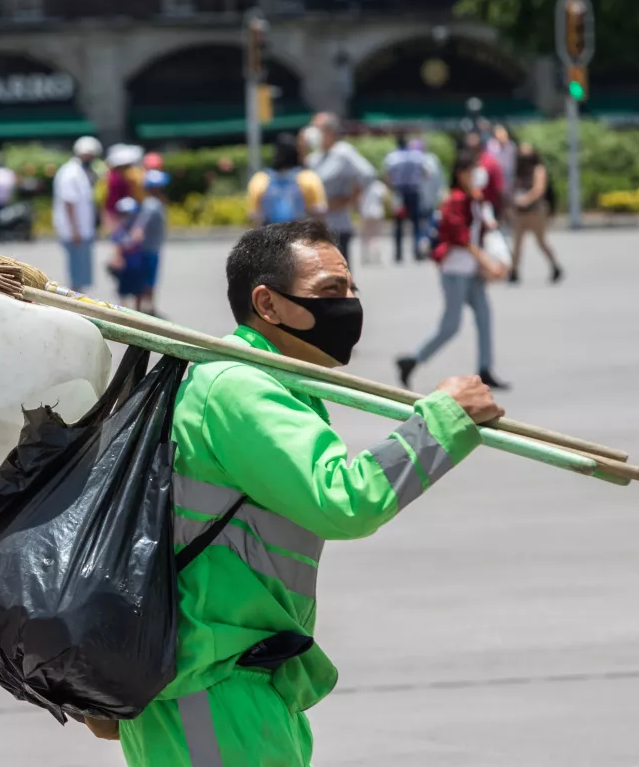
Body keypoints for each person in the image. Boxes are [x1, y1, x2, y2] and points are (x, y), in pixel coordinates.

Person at [117, 219, 503, 767]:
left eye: (351, 290)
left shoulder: (255, 380)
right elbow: (343, 501)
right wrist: (441, 421)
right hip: (209, 685)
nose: (348, 305)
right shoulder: (239, 387)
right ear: (267, 304)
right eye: (329, 292)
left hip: (238, 682)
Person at [396, 150, 511, 391]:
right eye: (472, 171)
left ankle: (485, 368)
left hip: (471, 270)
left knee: (484, 315)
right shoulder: (456, 200)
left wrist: (493, 257)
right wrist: (488, 263)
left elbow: (483, 230)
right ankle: (413, 360)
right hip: (456, 270)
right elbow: (462, 238)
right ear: (461, 174)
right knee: (451, 325)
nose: (477, 175)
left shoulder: (474, 199)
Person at [306, 112, 375, 263]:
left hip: (338, 226)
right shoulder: (314, 157)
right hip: (316, 228)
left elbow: (367, 175)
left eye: (317, 128)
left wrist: (349, 200)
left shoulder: (343, 152)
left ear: (330, 131)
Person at [53, 136, 102, 292]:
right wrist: (74, 230)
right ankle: (77, 306)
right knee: (77, 272)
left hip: (82, 229)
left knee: (82, 271)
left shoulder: (80, 171)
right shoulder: (70, 172)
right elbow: (69, 202)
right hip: (75, 231)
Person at [509, 143, 563, 283]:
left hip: (536, 211)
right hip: (520, 212)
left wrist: (525, 200)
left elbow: (539, 189)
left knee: (541, 241)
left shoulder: (538, 169)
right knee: (517, 243)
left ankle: (555, 266)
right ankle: (513, 271)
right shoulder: (518, 170)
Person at [248, 132, 327, 225]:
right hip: (300, 234)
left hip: (270, 234)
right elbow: (320, 211)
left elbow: (253, 215)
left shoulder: (260, 179)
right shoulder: (308, 177)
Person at [382, 136, 428, 262]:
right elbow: (425, 173)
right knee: (416, 224)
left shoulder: (392, 157)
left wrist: (390, 189)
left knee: (398, 224)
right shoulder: (416, 156)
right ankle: (417, 252)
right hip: (413, 191)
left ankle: (398, 254)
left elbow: (387, 176)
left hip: (399, 192)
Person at [133, 169, 170, 314]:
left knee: (150, 279)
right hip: (148, 248)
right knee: (147, 279)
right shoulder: (152, 204)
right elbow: (141, 225)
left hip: (152, 246)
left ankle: (148, 305)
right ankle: (145, 306)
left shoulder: (155, 202)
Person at [358, 174, 389, 265]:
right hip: (377, 212)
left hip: (365, 213)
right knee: (377, 236)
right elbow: (386, 198)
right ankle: (378, 257)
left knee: (365, 236)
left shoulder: (362, 185)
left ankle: (365, 257)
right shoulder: (379, 186)